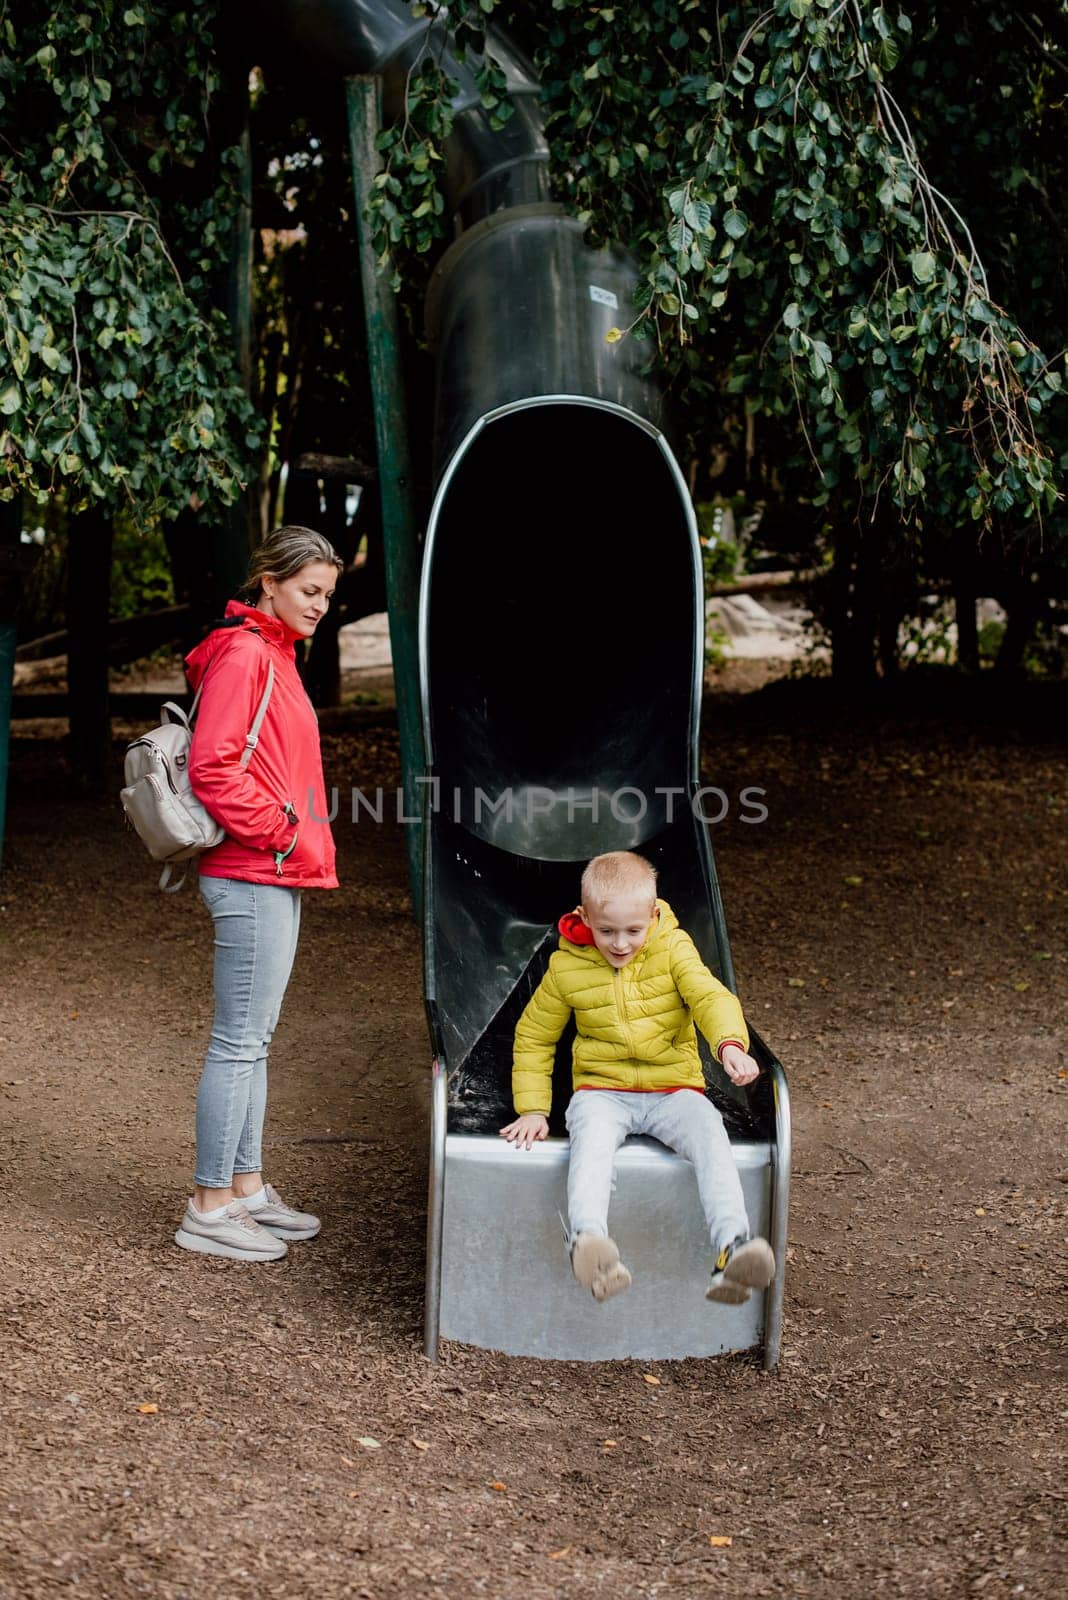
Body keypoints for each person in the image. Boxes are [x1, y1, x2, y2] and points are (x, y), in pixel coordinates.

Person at [173, 525, 344, 1262]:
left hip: (272, 869)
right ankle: (208, 1205)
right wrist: (281, 832)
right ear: (268, 583)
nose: (320, 606)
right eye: (310, 591)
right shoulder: (247, 654)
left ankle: (244, 1188)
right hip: (251, 871)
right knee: (239, 1042)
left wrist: (290, 843)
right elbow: (214, 766)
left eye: (329, 596)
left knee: (255, 1042)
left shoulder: (274, 654)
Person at [500, 850, 775, 1305]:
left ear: (653, 914)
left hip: (674, 1089)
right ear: (585, 917)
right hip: (602, 1091)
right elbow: (533, 1035)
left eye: (633, 930)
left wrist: (729, 1044)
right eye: (606, 931)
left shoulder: (672, 948)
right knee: (590, 1146)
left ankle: (734, 1245)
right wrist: (532, 1107)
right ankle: (589, 1243)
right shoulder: (567, 965)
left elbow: (709, 996)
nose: (621, 943)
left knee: (711, 1137)